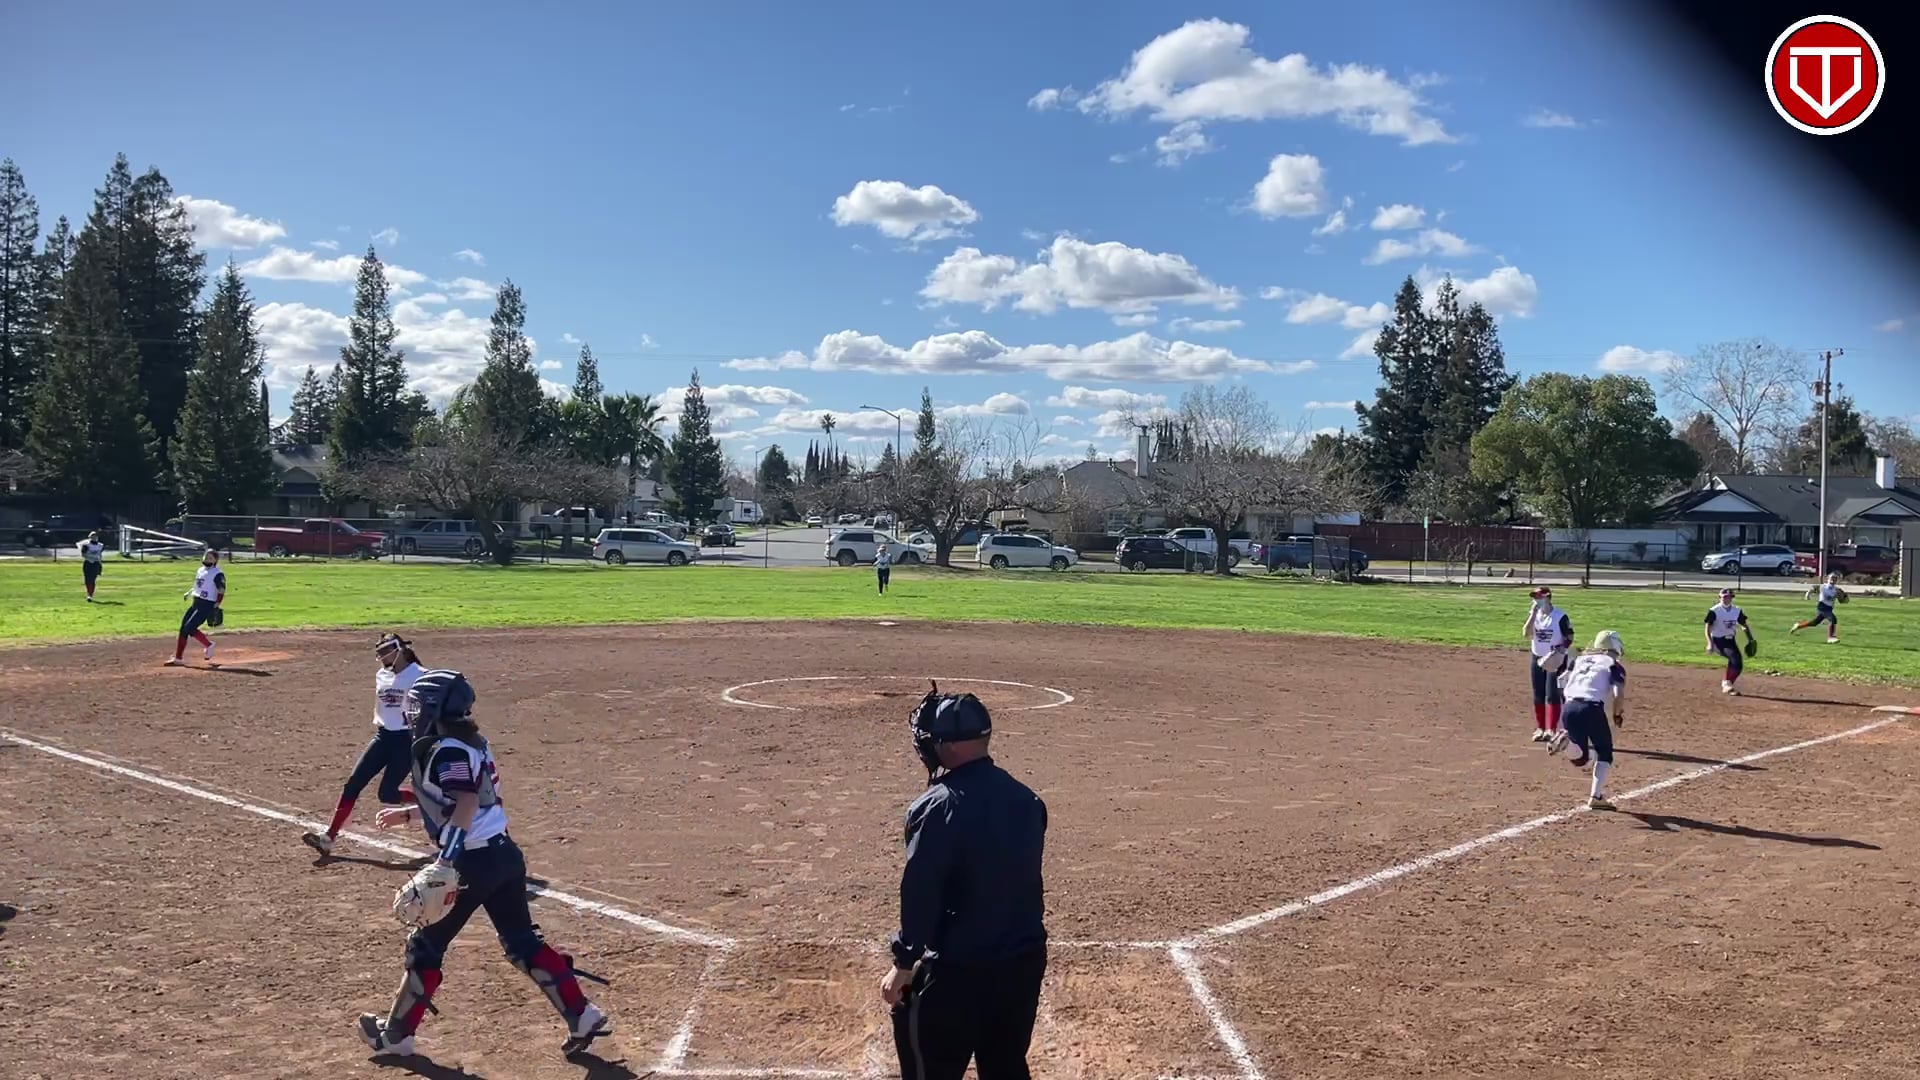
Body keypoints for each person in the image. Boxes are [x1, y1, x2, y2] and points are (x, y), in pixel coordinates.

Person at [358, 669, 612, 1059]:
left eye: (418, 705)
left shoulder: (447, 750)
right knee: (521, 942)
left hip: (472, 862)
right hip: (503, 855)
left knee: (425, 945)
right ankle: (581, 1014)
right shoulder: (468, 742)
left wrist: (447, 859)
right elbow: (466, 801)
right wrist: (409, 815)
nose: (412, 712)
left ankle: (396, 1037)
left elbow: (466, 802)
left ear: (435, 708)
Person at [883, 687, 1049, 1080]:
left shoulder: (933, 808)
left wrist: (904, 964)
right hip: (1022, 966)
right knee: (1006, 1067)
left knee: (930, 1068)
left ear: (951, 746)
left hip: (958, 972)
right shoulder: (1028, 801)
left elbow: (922, 892)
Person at [303, 633, 428, 857]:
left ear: (399, 650)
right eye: (379, 654)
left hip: (405, 740)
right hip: (383, 737)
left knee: (387, 794)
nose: (382, 658)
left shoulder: (420, 675)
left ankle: (434, 801)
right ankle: (329, 837)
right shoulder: (382, 675)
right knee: (353, 784)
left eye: (385, 652)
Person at [1548, 631, 1628, 811]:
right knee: (1604, 752)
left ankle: (1567, 744)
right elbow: (1618, 694)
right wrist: (1617, 714)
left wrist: (1566, 703)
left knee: (1582, 759)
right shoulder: (1613, 664)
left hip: (1569, 707)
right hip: (1591, 708)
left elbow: (1561, 681)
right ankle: (1595, 796)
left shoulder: (1579, 659)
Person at [1520, 586, 1573, 742]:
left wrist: (1561, 650)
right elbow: (1526, 634)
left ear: (1548, 598)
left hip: (1554, 658)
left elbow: (1569, 637)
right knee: (1538, 693)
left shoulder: (1560, 616)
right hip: (1537, 657)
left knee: (1552, 694)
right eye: (1534, 598)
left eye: (1539, 597)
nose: (1536, 600)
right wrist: (1533, 614)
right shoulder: (1534, 616)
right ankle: (1540, 728)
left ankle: (1551, 729)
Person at [166, 547, 224, 668]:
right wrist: (189, 592)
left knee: (190, 627)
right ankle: (178, 658)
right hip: (196, 602)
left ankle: (208, 645)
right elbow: (198, 585)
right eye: (206, 556)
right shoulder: (200, 570)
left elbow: (221, 589)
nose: (207, 559)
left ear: (215, 560)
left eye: (210, 558)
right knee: (183, 629)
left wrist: (218, 603)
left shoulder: (217, 573)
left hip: (207, 604)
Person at [1705, 587, 1756, 695]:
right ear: (1720, 597)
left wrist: (1750, 638)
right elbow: (1707, 628)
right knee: (1735, 659)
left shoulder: (1737, 610)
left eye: (1729, 597)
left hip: (1730, 641)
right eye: (1724, 597)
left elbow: (1744, 625)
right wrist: (1710, 643)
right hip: (1718, 640)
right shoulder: (1714, 611)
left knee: (1738, 663)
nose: (1727, 599)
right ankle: (1727, 684)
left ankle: (1728, 684)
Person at [1789, 573, 1844, 644]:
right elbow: (1812, 589)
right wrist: (1807, 595)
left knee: (1814, 623)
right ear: (1828, 579)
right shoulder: (1823, 587)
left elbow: (1843, 600)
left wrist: (1841, 596)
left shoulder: (1836, 590)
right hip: (1822, 607)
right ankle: (1831, 637)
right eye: (1832, 578)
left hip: (1829, 608)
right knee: (1833, 619)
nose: (1833, 580)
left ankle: (1798, 626)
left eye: (1835, 579)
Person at [78, 531, 106, 602]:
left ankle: (90, 595)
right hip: (88, 563)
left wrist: (100, 565)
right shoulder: (86, 545)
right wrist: (91, 557)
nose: (94, 538)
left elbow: (100, 556)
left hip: (96, 564)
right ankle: (89, 593)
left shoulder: (100, 545)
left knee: (92, 580)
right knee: (87, 580)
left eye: (96, 536)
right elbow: (83, 554)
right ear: (90, 537)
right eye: (93, 536)